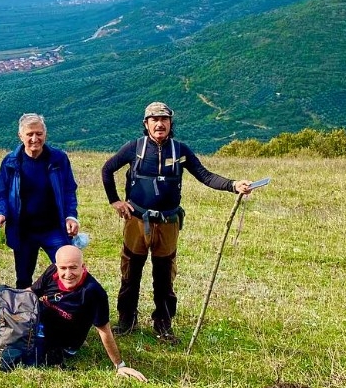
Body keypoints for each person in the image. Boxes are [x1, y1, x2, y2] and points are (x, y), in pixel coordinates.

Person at [101, 101, 254, 343]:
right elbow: (107, 169)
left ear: (171, 123)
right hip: (137, 220)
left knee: (164, 276)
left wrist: (233, 185)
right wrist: (115, 201)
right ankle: (127, 320)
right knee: (131, 272)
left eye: (164, 119)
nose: (159, 124)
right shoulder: (135, 148)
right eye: (154, 120)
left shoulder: (180, 150)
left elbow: (205, 175)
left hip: (169, 222)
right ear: (146, 124)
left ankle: (163, 324)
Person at [0, 245, 146, 380]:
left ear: (83, 267)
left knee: (23, 350)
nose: (68, 274)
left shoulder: (94, 292)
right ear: (57, 266)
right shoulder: (52, 271)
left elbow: (104, 330)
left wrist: (120, 365)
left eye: (73, 268)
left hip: (61, 340)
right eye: (63, 268)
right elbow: (30, 294)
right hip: (41, 319)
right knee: (1, 292)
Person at [0, 113, 80, 289]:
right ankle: (25, 313)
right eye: (30, 134)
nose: (34, 139)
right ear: (20, 136)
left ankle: (67, 310)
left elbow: (69, 190)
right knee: (23, 279)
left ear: (45, 135)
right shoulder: (10, 161)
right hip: (23, 231)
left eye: (39, 134)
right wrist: (0, 212)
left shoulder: (58, 159)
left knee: (68, 271)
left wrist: (71, 216)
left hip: (54, 228)